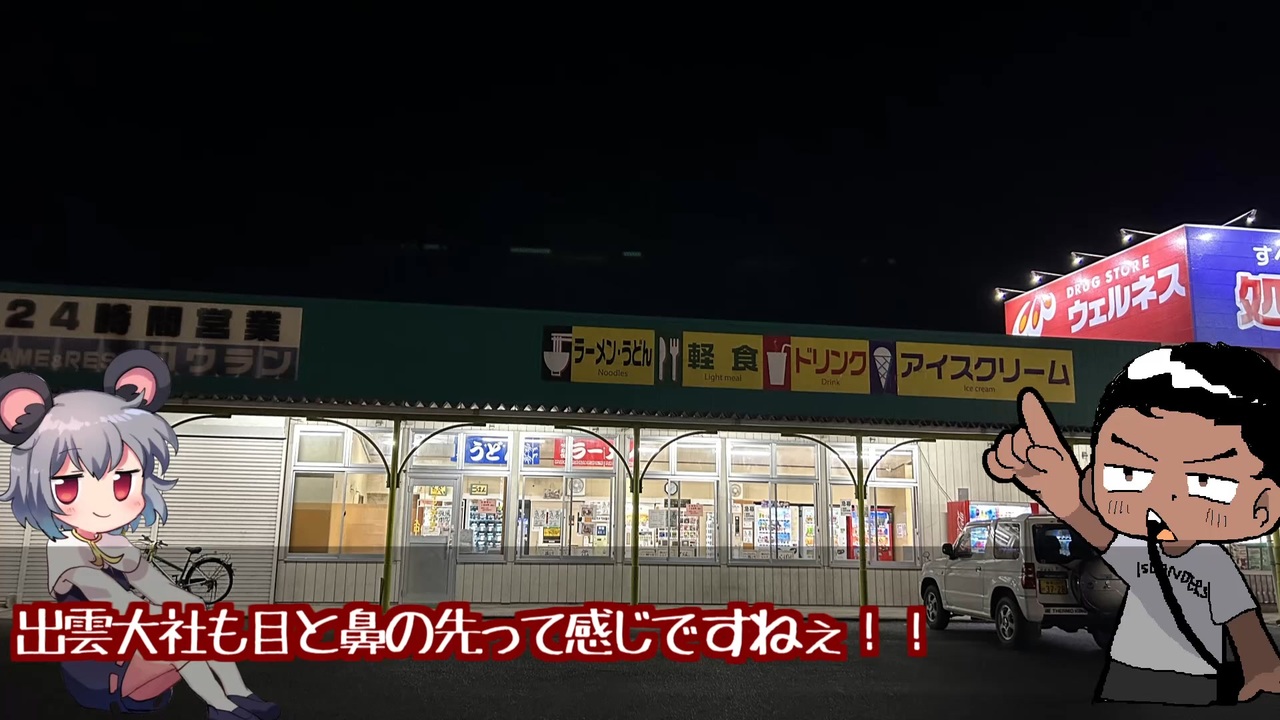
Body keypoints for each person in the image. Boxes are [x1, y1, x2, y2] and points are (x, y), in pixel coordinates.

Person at [984, 342, 1280, 705]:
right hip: (1127, 685)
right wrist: (1068, 501)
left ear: (1263, 505)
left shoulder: (1211, 563)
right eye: (1130, 474)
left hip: (1192, 689)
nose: (1163, 498)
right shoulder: (1138, 549)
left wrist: (1262, 667)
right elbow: (1098, 533)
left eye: (1204, 481)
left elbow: (1244, 624)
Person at [0, 350, 280, 720]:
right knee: (175, 633)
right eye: (69, 485)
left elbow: (159, 588)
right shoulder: (64, 548)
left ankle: (238, 693)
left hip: (134, 655)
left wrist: (191, 608)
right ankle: (221, 706)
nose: (103, 504)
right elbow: (117, 600)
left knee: (195, 622)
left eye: (123, 482)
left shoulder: (113, 543)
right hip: (99, 670)